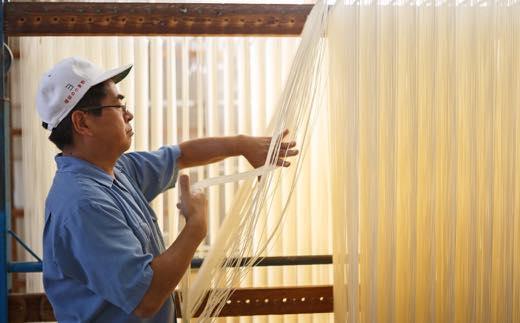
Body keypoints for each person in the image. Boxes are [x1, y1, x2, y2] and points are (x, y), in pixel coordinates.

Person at [37, 57, 298, 322]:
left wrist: (242, 145)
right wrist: (195, 227)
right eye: (118, 105)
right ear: (83, 123)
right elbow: (146, 297)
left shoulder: (119, 170)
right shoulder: (84, 204)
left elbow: (181, 155)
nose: (128, 114)